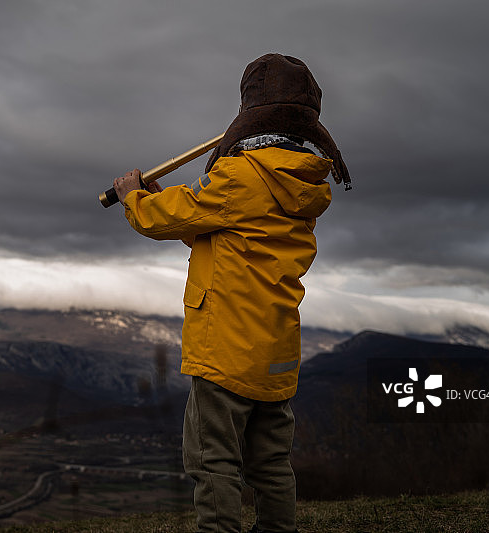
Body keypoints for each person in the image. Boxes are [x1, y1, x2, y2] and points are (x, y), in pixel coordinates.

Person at [112, 53, 351, 533]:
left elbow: (170, 217)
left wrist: (135, 198)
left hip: (226, 347)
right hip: (276, 351)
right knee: (270, 464)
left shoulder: (243, 175)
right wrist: (165, 197)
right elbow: (224, 231)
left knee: (213, 460)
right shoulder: (302, 180)